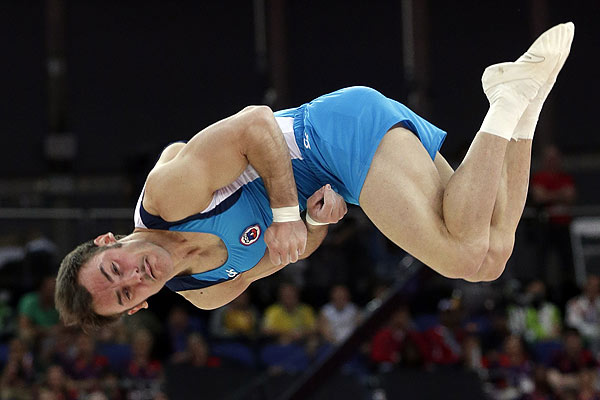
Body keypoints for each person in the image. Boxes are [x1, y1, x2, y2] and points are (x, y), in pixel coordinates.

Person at [55, 23, 575, 330]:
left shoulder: (167, 195)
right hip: (339, 176)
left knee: (459, 253)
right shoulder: (207, 292)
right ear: (138, 308)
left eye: (112, 270)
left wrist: (283, 212)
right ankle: (525, 104)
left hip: (326, 132)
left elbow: (256, 121)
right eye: (125, 294)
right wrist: (313, 218)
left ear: (107, 242)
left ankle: (507, 99)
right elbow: (296, 246)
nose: (132, 277)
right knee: (488, 258)